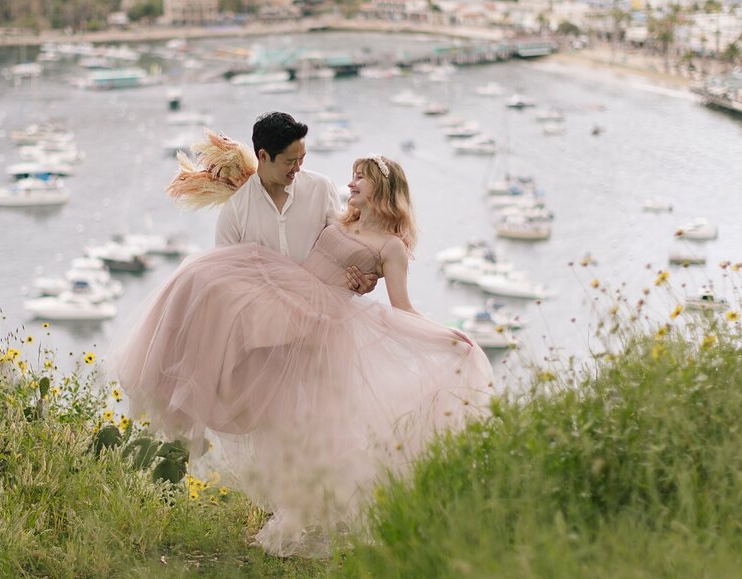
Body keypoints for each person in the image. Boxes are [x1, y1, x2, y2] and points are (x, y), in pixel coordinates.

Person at [116, 152, 494, 557]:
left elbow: (403, 307)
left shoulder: (392, 248)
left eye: (360, 179)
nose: (351, 184)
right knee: (206, 283)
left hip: (323, 323)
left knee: (310, 425)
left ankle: (307, 513)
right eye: (352, 176)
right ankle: (181, 374)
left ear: (381, 189)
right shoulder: (341, 218)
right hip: (290, 293)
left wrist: (444, 335)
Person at [215, 111, 376, 293]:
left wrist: (359, 282)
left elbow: (343, 249)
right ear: (263, 156)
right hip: (263, 316)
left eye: (302, 158)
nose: (298, 168)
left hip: (321, 311)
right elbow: (226, 278)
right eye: (290, 161)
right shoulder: (235, 210)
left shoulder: (321, 188)